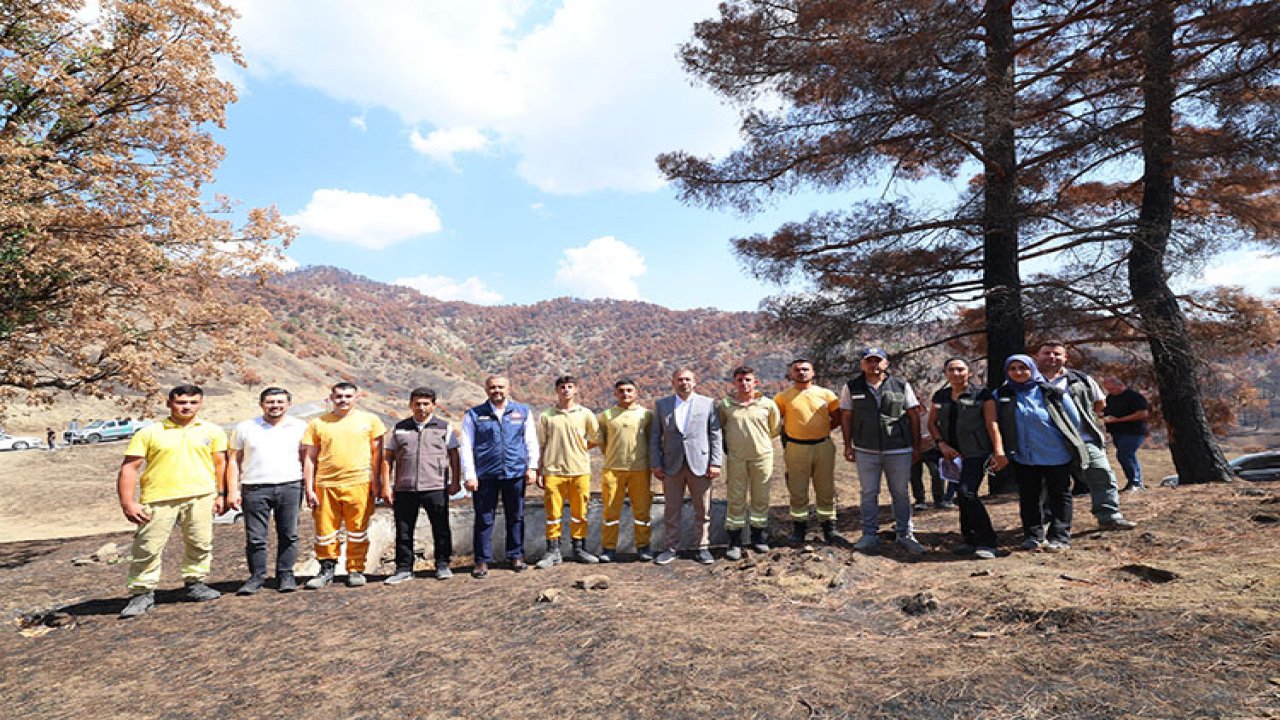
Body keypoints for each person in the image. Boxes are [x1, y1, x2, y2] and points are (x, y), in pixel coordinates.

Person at [116, 385, 227, 619]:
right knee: (148, 547)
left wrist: (221, 494)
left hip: (200, 496)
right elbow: (129, 468)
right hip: (159, 498)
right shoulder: (149, 432)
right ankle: (142, 592)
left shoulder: (213, 431)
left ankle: (195, 582)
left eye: (193, 402)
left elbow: (221, 465)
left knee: (200, 542)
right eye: (181, 402)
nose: (187, 407)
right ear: (169, 403)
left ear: (200, 404)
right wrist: (128, 503)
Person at [1035, 342, 1137, 530]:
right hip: (1046, 442)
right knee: (1046, 484)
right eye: (1046, 353)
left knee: (1101, 473)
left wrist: (1085, 418)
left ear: (1066, 358)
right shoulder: (1028, 380)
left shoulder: (1080, 379)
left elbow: (1100, 403)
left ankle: (1109, 516)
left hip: (1083, 438)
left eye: (1057, 354)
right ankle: (1045, 520)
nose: (1051, 357)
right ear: (1037, 356)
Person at [994, 355, 1087, 552]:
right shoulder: (1002, 394)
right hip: (1022, 455)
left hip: (1056, 453)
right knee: (1029, 496)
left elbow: (1073, 419)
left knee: (1059, 495)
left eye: (1023, 368)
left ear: (1032, 369)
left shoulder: (1050, 392)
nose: (1018, 372)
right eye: (1013, 369)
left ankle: (1059, 537)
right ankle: (1033, 536)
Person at [840, 348, 926, 555]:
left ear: (886, 363)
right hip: (865, 449)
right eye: (868, 361)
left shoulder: (901, 385)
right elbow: (846, 416)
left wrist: (916, 446)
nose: (873, 365)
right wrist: (847, 445)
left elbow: (914, 416)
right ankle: (869, 535)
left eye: (877, 361)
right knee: (869, 493)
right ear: (862, 364)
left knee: (900, 493)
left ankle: (905, 534)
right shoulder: (851, 387)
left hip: (899, 449)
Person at [301, 382, 387, 589]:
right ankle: (326, 569)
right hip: (326, 484)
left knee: (357, 529)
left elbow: (379, 455)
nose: (343, 400)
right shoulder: (318, 423)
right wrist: (309, 488)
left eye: (348, 396)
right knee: (325, 531)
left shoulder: (370, 421)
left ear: (356, 398)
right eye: (339, 396)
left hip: (359, 483)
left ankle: (356, 569)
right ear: (331, 397)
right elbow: (310, 458)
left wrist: (378, 483)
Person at [226, 387, 307, 595]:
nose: (275, 406)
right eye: (270, 402)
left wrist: (309, 486)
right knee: (255, 536)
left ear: (288, 404)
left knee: (289, 534)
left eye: (280, 402)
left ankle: (286, 574)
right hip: (254, 487)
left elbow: (307, 458)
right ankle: (256, 577)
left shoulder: (300, 426)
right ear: (261, 404)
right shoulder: (245, 427)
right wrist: (232, 490)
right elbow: (234, 460)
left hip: (290, 485)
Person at [459, 375, 539, 579]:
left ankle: (516, 556)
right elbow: (466, 446)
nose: (497, 391)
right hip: (485, 475)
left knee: (516, 516)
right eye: (493, 387)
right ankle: (481, 560)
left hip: (514, 472)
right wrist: (470, 475)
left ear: (508, 388)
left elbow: (531, 441)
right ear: (486, 390)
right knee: (484, 518)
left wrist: (532, 467)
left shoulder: (522, 412)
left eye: (501, 387)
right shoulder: (474, 414)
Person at [927, 358, 1007, 559]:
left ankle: (988, 541)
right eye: (951, 370)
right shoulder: (940, 396)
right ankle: (969, 540)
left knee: (967, 493)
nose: (956, 373)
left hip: (976, 453)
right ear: (945, 373)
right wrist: (941, 444)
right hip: (951, 455)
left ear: (968, 373)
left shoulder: (982, 394)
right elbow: (932, 423)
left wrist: (999, 451)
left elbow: (992, 424)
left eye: (960, 369)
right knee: (962, 497)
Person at [381, 387, 461, 585]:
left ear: (434, 405)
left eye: (426, 404)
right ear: (410, 405)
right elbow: (387, 458)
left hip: (435, 485)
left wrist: (455, 481)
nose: (421, 408)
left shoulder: (444, 427)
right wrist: (386, 486)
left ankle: (442, 565)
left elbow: (454, 455)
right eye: (417, 403)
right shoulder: (399, 428)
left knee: (441, 528)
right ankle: (403, 568)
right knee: (404, 529)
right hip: (405, 487)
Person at [650, 369, 723, 565]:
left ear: (695, 381)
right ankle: (671, 548)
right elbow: (655, 436)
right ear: (672, 382)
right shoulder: (662, 405)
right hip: (671, 465)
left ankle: (703, 547)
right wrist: (655, 463)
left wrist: (715, 462)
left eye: (687, 379)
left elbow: (715, 434)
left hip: (700, 464)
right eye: (680, 380)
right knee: (672, 509)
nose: (684, 383)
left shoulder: (707, 404)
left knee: (703, 509)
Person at [535, 375, 601, 569]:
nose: (566, 390)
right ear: (557, 390)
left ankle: (579, 548)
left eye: (570, 386)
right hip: (553, 470)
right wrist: (539, 470)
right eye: (562, 387)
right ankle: (553, 551)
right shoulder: (547, 415)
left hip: (579, 470)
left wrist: (580, 448)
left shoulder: (585, 413)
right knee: (553, 513)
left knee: (579, 512)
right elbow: (541, 445)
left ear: (576, 389)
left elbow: (596, 438)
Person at [773, 359, 841, 544]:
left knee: (825, 488)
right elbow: (775, 420)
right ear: (791, 374)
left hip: (823, 446)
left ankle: (829, 529)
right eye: (797, 370)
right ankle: (799, 529)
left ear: (813, 372)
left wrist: (822, 430)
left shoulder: (826, 394)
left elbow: (837, 417)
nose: (801, 372)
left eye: (805, 369)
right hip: (796, 448)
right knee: (798, 490)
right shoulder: (782, 397)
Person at [717, 365, 781, 559]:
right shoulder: (726, 406)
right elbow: (720, 429)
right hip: (736, 458)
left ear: (755, 382)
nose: (744, 384)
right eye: (740, 380)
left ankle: (758, 537)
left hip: (762, 457)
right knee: (736, 498)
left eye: (748, 380)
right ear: (734, 383)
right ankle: (734, 541)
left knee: (760, 497)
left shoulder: (767, 404)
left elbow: (775, 429)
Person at [597, 379, 656, 562]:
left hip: (639, 469)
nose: (625, 394)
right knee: (610, 512)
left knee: (642, 511)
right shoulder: (606, 416)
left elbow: (651, 440)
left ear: (636, 392)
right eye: (621, 391)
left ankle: (643, 547)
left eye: (629, 390)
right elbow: (602, 442)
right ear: (615, 394)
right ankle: (608, 549)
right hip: (613, 469)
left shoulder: (646, 415)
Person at [1102, 377, 1150, 492]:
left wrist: (1120, 420)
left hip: (1133, 431)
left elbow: (1142, 413)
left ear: (1120, 385)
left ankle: (1135, 482)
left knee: (1124, 454)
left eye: (1112, 389)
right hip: (1117, 432)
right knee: (1129, 456)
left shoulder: (1134, 396)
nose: (1111, 391)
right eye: (1108, 389)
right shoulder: (1111, 398)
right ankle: (1135, 481)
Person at [910, 431, 953, 510]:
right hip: (913, 445)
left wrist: (935, 438)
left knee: (937, 472)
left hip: (932, 447)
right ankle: (920, 500)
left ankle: (939, 499)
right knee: (915, 474)